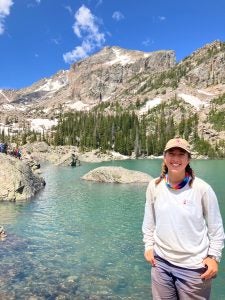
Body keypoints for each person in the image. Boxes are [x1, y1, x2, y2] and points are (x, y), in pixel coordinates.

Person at [142, 137, 225, 300]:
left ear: (188, 159)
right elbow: (149, 220)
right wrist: (148, 245)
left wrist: (214, 257)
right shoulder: (154, 186)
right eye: (171, 153)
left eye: (181, 154)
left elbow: (216, 228)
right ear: (164, 157)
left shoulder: (202, 189)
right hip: (161, 265)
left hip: (194, 269)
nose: (176, 159)